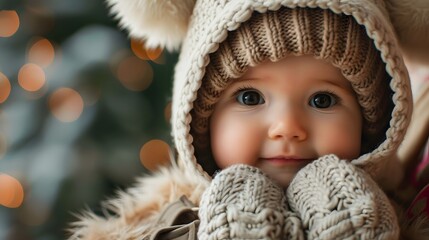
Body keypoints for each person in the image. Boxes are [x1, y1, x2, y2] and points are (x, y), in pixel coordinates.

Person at [68, 0, 429, 239]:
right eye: (249, 97)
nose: (287, 126)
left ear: (376, 124)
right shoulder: (160, 222)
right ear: (199, 119)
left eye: (322, 99)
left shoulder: (412, 215)